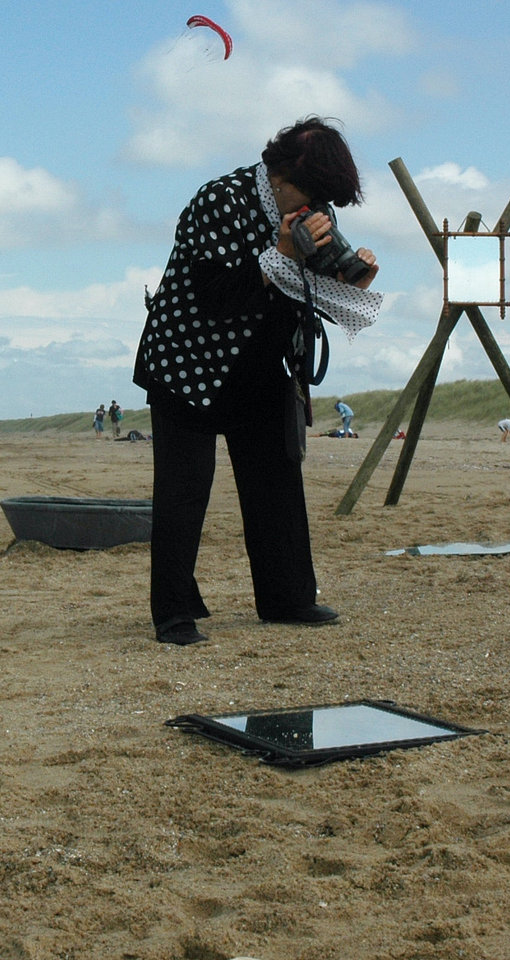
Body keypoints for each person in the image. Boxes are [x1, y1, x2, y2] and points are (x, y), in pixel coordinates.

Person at [133, 116, 382, 646]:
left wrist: (353, 274)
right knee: (183, 492)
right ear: (278, 172)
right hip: (188, 364)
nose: (312, 206)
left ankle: (288, 598)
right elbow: (215, 297)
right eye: (308, 192)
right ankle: (174, 614)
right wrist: (280, 254)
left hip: (261, 365)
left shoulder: (313, 212)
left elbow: (321, 288)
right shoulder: (220, 199)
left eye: (321, 198)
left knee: (277, 484)